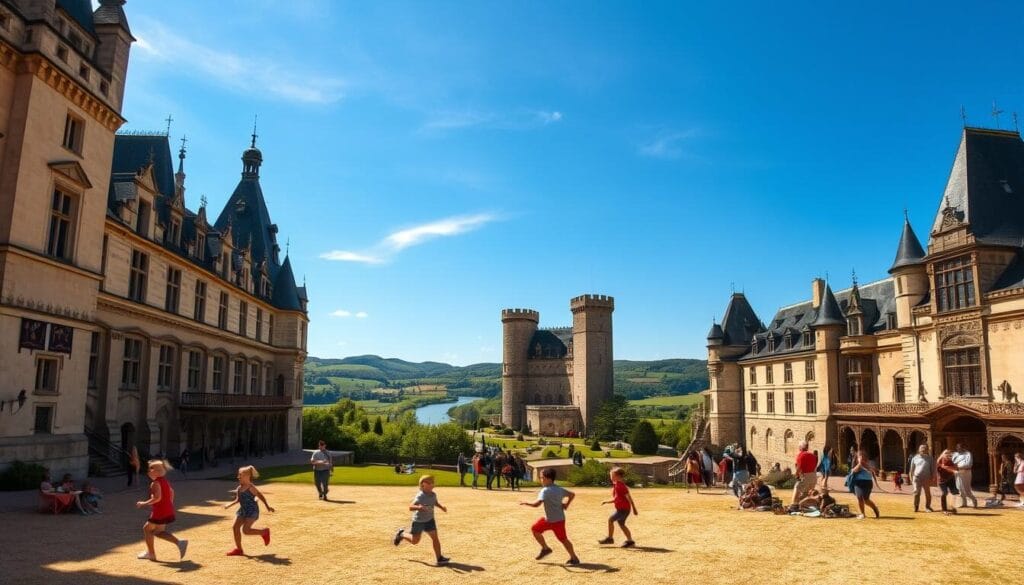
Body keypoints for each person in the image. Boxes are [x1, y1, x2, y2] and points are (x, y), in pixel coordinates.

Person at [520, 468, 579, 565]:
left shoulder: (545, 491)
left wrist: (526, 502)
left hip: (553, 520)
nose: (540, 480)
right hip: (558, 519)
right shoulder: (559, 489)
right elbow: (572, 494)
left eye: (542, 478)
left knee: (536, 530)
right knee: (562, 539)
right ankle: (573, 557)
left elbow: (537, 504)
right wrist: (566, 505)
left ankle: (546, 548)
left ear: (548, 479)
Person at [135, 460, 188, 562]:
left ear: (156, 472)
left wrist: (143, 503)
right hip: (166, 510)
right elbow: (171, 492)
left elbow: (157, 498)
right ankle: (180, 543)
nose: (148, 472)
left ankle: (151, 554)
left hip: (159, 511)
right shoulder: (164, 481)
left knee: (147, 529)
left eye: (150, 469)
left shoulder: (155, 483)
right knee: (158, 532)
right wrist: (169, 504)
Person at [393, 475, 449, 565]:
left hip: (430, 520)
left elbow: (435, 502)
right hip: (419, 521)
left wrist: (442, 507)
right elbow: (410, 507)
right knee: (415, 541)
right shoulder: (420, 496)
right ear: (424, 485)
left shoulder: (433, 494)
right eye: (430, 483)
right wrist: (419, 507)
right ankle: (401, 534)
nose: (433, 484)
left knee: (435, 538)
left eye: (433, 483)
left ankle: (439, 558)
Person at [223, 465, 274, 556]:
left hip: (252, 511)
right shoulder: (239, 488)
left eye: (240, 475)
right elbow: (238, 500)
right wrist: (229, 504)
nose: (238, 477)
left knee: (246, 530)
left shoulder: (251, 487)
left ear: (247, 476)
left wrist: (267, 506)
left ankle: (264, 532)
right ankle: (239, 550)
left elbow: (260, 496)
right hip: (243, 510)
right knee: (235, 528)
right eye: (238, 475)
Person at [598, 467, 638, 547]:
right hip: (622, 509)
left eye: (612, 475)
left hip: (623, 509)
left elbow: (629, 497)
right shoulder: (617, 485)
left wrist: (634, 508)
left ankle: (610, 538)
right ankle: (630, 541)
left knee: (611, 520)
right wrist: (607, 501)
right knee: (621, 524)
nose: (611, 477)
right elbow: (617, 499)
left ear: (618, 476)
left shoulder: (621, 486)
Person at [849, 449, 880, 519]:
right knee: (859, 497)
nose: (861, 458)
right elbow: (853, 471)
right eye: (859, 456)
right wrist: (860, 463)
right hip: (858, 482)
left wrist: (865, 465)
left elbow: (872, 471)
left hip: (867, 482)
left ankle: (875, 508)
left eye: (862, 456)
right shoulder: (856, 464)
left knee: (866, 499)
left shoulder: (869, 463)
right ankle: (862, 514)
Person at [908, 444, 935, 513]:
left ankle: (927, 507)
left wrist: (933, 477)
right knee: (916, 493)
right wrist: (911, 479)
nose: (923, 449)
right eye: (921, 448)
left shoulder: (930, 458)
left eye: (924, 448)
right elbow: (911, 470)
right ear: (919, 449)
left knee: (927, 493)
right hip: (917, 478)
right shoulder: (915, 458)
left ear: (927, 450)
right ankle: (916, 507)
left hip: (926, 478)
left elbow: (933, 469)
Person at [952, 443, 978, 508]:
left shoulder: (968, 454)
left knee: (966, 489)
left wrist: (958, 466)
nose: (959, 449)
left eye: (960, 447)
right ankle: (964, 503)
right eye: (957, 448)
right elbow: (952, 462)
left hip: (966, 472)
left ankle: (974, 500)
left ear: (963, 448)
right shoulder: (955, 454)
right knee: (959, 488)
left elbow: (969, 464)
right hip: (957, 473)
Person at [792, 440, 818, 505]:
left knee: (797, 488)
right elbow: (815, 467)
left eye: (799, 446)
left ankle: (793, 505)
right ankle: (805, 505)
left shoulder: (800, 455)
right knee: (807, 493)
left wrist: (797, 475)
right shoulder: (812, 455)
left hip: (805, 475)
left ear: (801, 447)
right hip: (813, 476)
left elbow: (799, 468)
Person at [935, 448, 960, 515]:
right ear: (943, 454)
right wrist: (953, 470)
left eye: (949, 453)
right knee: (944, 493)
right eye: (946, 453)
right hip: (942, 480)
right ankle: (944, 509)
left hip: (950, 479)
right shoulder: (940, 461)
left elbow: (955, 467)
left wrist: (955, 468)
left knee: (954, 492)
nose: (948, 455)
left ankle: (951, 506)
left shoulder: (950, 461)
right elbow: (944, 467)